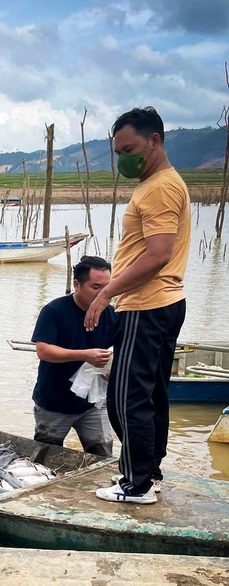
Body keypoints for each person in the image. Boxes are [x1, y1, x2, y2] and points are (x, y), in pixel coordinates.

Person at [85, 106, 191, 504]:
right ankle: (150, 472)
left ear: (155, 141)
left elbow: (157, 254)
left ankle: (137, 483)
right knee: (150, 394)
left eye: (129, 149)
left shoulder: (161, 186)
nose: (123, 159)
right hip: (162, 303)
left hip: (147, 305)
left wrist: (107, 292)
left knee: (127, 398)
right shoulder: (158, 183)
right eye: (117, 152)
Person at [31, 255, 116, 456]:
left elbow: (119, 348)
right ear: (77, 284)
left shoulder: (111, 314)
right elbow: (43, 350)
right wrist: (84, 355)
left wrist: (113, 370)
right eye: (96, 287)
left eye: (108, 288)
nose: (104, 293)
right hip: (54, 401)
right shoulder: (54, 311)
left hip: (93, 402)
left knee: (102, 452)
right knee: (46, 457)